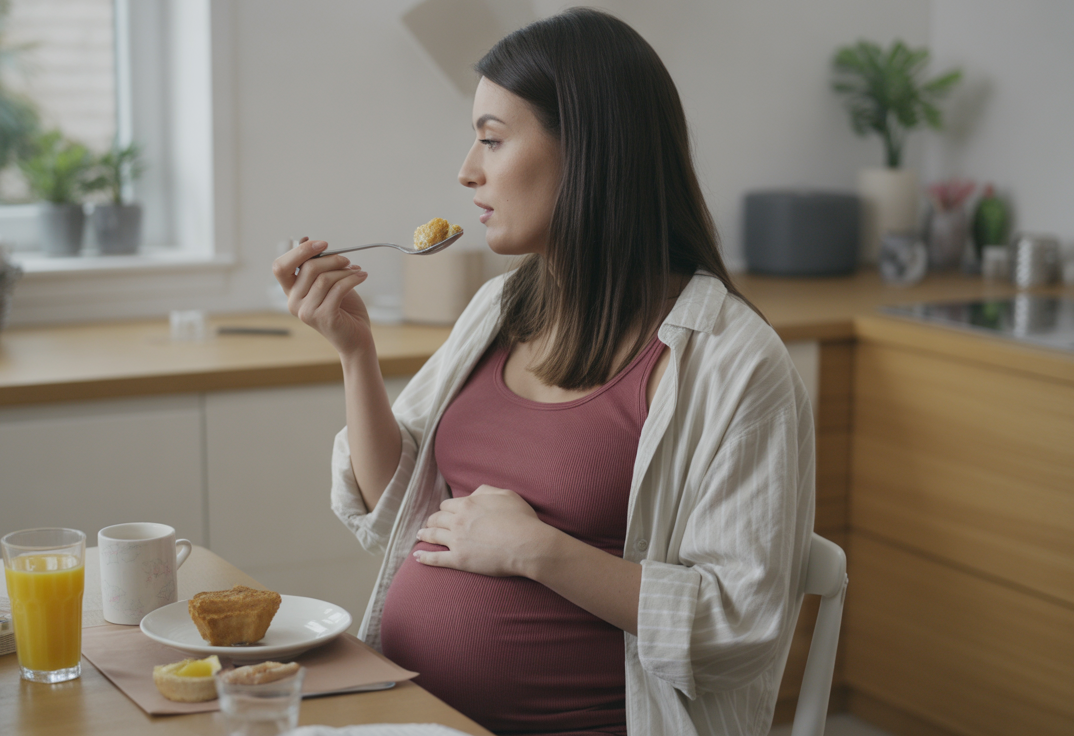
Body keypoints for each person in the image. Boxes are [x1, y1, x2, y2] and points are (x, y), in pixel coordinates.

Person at [272, 8, 814, 736]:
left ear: (590, 152)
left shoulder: (732, 359)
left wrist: (537, 551)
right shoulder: (501, 308)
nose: (467, 170)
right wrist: (354, 353)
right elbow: (395, 509)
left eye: (492, 140)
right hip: (414, 712)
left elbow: (739, 626)